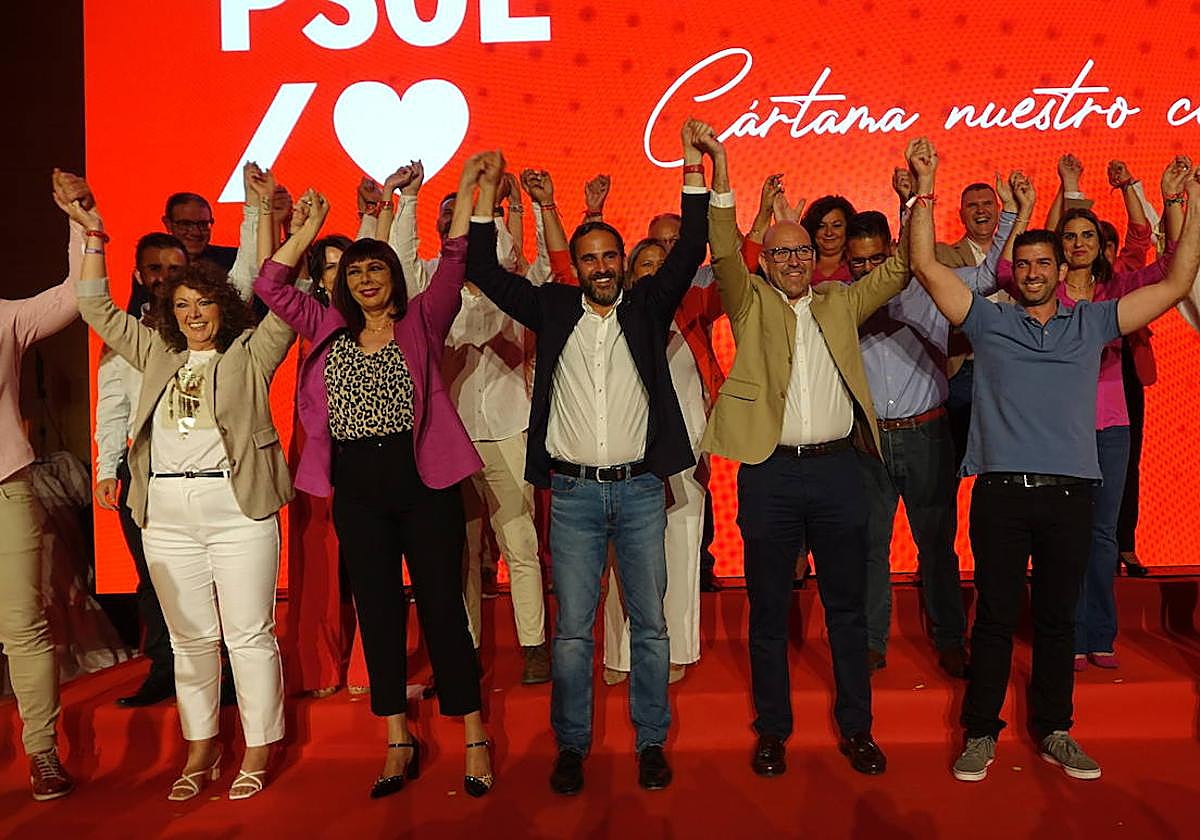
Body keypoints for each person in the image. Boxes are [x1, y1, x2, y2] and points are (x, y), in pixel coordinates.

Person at [907, 138, 1200, 783]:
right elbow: (925, 264)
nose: (1034, 271)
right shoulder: (988, 322)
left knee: (1059, 620)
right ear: (1013, 269)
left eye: (1045, 262)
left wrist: (1190, 201)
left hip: (1070, 495)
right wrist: (925, 185)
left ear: (1062, 269)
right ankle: (981, 732)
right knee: (995, 618)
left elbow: (1179, 281)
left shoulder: (1092, 323)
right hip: (1001, 494)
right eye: (1025, 262)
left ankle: (1056, 729)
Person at [466, 123, 710, 795]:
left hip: (639, 492)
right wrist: (482, 195)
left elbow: (692, 244)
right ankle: (571, 745)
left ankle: (650, 741)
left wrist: (694, 169)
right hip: (572, 497)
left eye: (610, 257)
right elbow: (482, 269)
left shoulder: (648, 305)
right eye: (590, 259)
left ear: (624, 261)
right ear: (574, 266)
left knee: (651, 625)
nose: (601, 268)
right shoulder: (551, 307)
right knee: (573, 632)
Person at [253, 159, 494, 800]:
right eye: (354, 271)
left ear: (394, 277)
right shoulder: (326, 327)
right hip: (358, 488)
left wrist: (465, 188)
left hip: (424, 483)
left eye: (375, 268)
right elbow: (270, 284)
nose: (363, 279)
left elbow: (455, 261)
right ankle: (396, 737)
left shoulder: (421, 321)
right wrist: (307, 231)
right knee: (379, 614)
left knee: (443, 608)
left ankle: (474, 732)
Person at [62, 167, 297, 801]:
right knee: (191, 638)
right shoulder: (154, 351)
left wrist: (288, 231)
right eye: (182, 306)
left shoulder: (249, 351)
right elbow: (95, 307)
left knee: (248, 635)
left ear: (223, 305)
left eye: (204, 304)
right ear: (170, 311)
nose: (193, 315)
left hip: (235, 507)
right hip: (165, 509)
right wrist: (91, 235)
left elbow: (281, 300)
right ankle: (202, 747)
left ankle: (259, 745)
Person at [703, 136, 915, 777]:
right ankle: (773, 731)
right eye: (781, 252)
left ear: (816, 257)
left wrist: (914, 201)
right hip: (769, 472)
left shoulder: (840, 300)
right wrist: (722, 169)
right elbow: (722, 248)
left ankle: (858, 729)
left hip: (838, 472)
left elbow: (901, 268)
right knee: (769, 611)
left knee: (846, 609)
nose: (794, 260)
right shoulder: (749, 301)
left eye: (802, 250)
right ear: (765, 261)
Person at [383, 160, 551, 685]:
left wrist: (516, 205)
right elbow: (400, 260)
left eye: (469, 213)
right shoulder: (431, 285)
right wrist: (409, 199)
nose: (455, 217)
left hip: (508, 428)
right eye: (448, 212)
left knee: (519, 543)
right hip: (448, 436)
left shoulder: (511, 285)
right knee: (459, 551)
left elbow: (544, 267)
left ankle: (533, 646)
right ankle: (467, 649)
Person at [848, 183, 1024, 677]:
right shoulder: (842, 300)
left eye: (876, 258)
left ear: (893, 251)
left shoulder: (931, 285)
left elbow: (991, 274)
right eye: (858, 262)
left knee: (937, 546)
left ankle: (949, 638)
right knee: (871, 548)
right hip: (869, 439)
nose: (867, 269)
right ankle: (871, 642)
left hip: (926, 435)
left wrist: (1013, 213)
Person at [601, 232, 723, 686]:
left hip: (687, 454)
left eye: (662, 265)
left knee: (683, 547)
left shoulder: (693, 309)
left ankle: (679, 648)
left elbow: (739, 268)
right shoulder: (613, 320)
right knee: (623, 555)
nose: (654, 272)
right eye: (645, 265)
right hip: (628, 455)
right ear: (630, 276)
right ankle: (620, 653)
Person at [1, 170, 83, 802]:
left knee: (23, 624)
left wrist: (80, 223)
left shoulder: (5, 319)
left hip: (5, 484)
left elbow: (75, 296)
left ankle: (42, 751)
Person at [801, 194, 857, 284]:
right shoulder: (799, 261)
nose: (829, 233)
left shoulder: (859, 262)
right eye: (821, 226)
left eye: (836, 225)